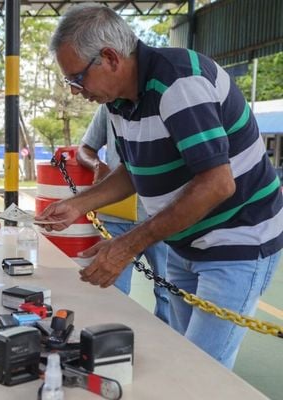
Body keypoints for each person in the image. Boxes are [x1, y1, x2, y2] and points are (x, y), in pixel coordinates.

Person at [40, 3, 283, 369]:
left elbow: (217, 184)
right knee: (187, 356)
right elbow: (133, 171)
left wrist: (129, 245)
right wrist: (79, 204)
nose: (76, 90)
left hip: (239, 239)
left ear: (109, 58)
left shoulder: (180, 82)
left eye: (77, 78)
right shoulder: (120, 102)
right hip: (185, 242)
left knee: (201, 371)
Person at [78, 104, 169, 323]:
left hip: (164, 219)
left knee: (168, 292)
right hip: (115, 219)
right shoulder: (108, 107)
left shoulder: (166, 101)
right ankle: (111, 340)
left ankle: (171, 344)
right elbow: (85, 148)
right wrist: (96, 164)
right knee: (110, 288)